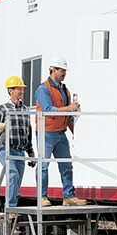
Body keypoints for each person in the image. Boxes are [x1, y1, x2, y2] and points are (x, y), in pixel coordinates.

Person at [34, 56, 87, 207]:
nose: (64, 73)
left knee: (66, 164)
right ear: (53, 70)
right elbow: (48, 110)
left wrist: (75, 131)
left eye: (65, 70)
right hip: (46, 133)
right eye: (61, 70)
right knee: (43, 165)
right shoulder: (43, 89)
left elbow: (68, 116)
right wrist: (68, 108)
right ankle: (42, 197)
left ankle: (69, 196)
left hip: (60, 133)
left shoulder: (65, 90)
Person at [0, 76, 36, 208]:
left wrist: (31, 152)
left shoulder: (25, 110)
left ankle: (10, 203)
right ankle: (11, 207)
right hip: (6, 149)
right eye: (18, 88)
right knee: (12, 175)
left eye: (22, 88)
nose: (21, 91)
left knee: (16, 181)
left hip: (20, 151)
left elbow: (28, 132)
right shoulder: (2, 109)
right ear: (10, 91)